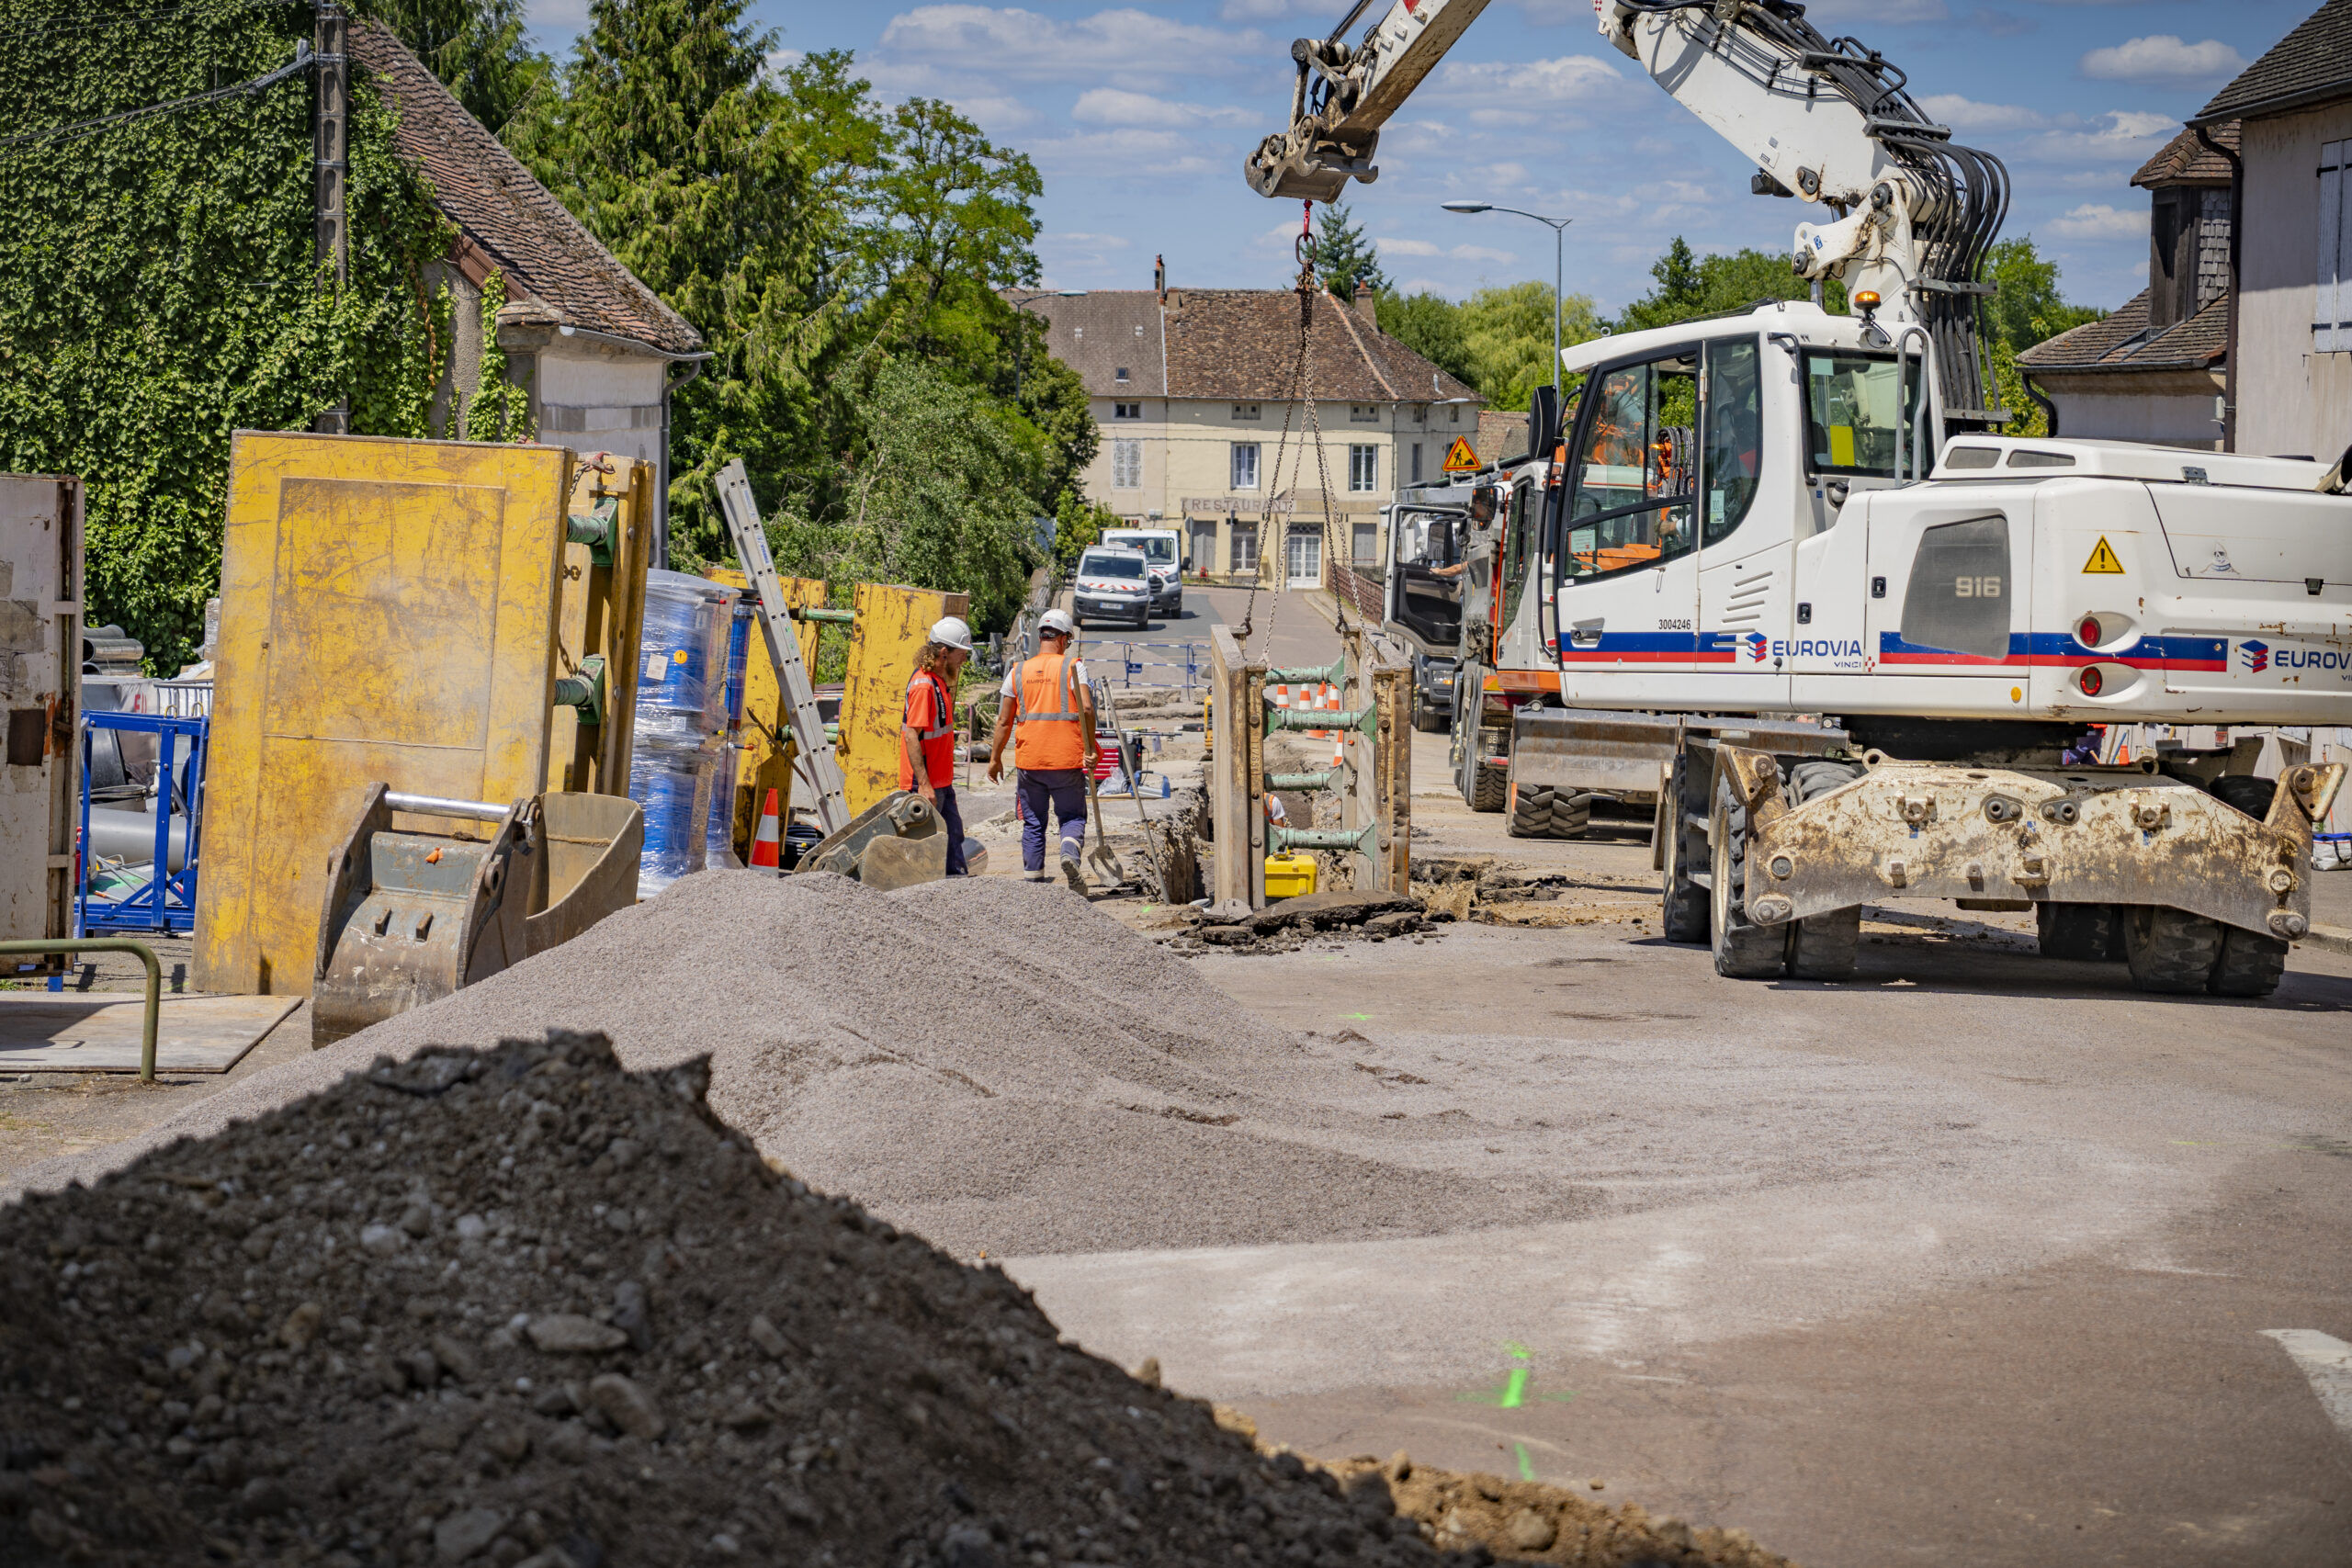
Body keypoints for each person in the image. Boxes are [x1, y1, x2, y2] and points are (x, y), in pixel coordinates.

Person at [985, 608, 1097, 891]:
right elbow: (1085, 707)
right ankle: (1069, 854)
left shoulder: (1017, 671)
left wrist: (995, 759)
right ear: (1064, 639)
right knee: (1071, 817)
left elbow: (1003, 720)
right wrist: (1090, 747)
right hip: (1065, 759)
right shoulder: (1073, 667)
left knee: (1033, 823)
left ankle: (1033, 887)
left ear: (1041, 636)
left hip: (1029, 761)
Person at [901, 616, 973, 876]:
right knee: (925, 848)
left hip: (940, 782)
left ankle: (954, 886)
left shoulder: (937, 682)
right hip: (926, 784)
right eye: (962, 653)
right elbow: (911, 735)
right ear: (944, 653)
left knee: (953, 836)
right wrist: (924, 783)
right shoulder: (924, 686)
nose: (964, 659)